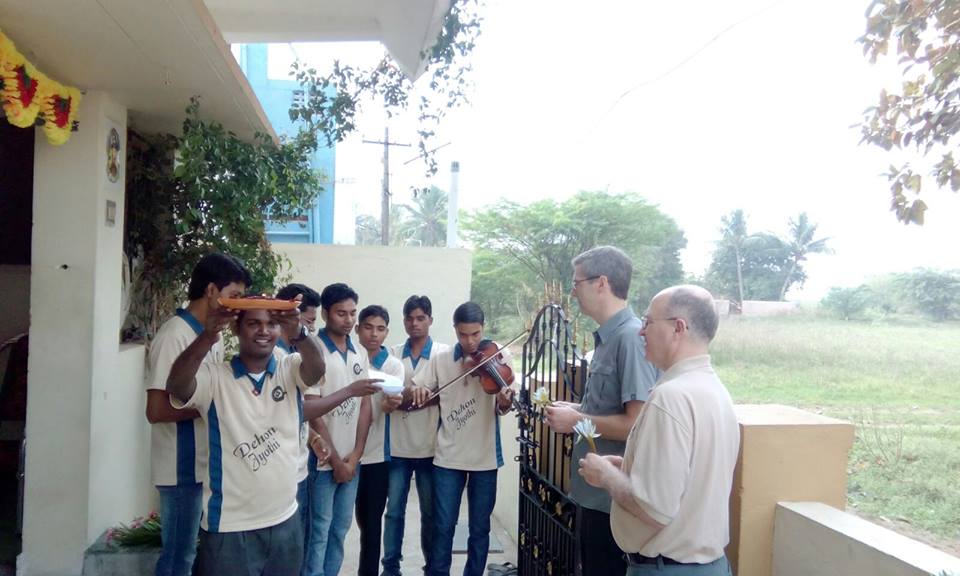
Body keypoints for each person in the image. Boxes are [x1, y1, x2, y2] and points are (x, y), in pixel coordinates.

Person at [165, 300, 379, 575]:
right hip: (230, 526)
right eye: (253, 323)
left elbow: (316, 369)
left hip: (284, 520)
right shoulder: (214, 377)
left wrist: (299, 332)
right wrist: (207, 336)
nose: (264, 331)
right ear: (236, 329)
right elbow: (177, 387)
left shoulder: (288, 368)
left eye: (271, 324)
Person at [578, 285, 740, 575]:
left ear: (678, 328)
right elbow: (687, 480)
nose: (641, 331)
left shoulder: (671, 397)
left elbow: (654, 509)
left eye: (649, 322)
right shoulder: (716, 391)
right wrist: (628, 466)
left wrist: (607, 477)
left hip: (668, 567)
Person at [544, 246, 659, 576]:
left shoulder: (630, 339)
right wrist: (577, 409)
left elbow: (637, 423)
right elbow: (610, 409)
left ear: (601, 283)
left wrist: (577, 420)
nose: (573, 291)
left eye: (576, 283)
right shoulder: (609, 338)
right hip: (593, 495)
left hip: (612, 501)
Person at [145, 252, 250, 576]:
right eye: (234, 296)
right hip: (180, 469)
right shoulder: (175, 335)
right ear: (210, 291)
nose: (238, 305)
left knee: (191, 555)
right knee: (178, 558)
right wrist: (213, 405)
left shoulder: (209, 336)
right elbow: (157, 410)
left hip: (202, 466)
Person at [408, 302, 515, 576]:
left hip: (485, 457)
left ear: (483, 329)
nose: (470, 342)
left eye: (476, 334)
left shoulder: (499, 356)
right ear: (455, 329)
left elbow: (503, 408)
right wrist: (418, 390)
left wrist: (504, 401)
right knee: (443, 526)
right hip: (448, 456)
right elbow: (418, 384)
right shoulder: (441, 359)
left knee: (480, 529)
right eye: (464, 334)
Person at [304, 283, 373, 576]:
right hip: (321, 462)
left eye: (352, 313)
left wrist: (355, 456)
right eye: (341, 313)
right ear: (325, 313)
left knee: (340, 530)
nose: (348, 320)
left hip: (350, 461)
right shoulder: (313, 350)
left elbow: (366, 406)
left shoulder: (359, 350)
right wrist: (335, 461)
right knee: (317, 530)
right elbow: (312, 411)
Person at [382, 295, 448, 576]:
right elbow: (388, 396)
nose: (414, 323)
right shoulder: (393, 354)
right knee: (394, 512)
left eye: (421, 318)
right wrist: (417, 395)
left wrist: (422, 396)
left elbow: (451, 395)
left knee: (430, 515)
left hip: (431, 449)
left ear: (430, 320)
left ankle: (431, 567)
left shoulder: (443, 354)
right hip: (397, 447)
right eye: (409, 318)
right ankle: (391, 567)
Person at [354, 305, 405, 576]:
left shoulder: (393, 365)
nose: (374, 334)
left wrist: (389, 404)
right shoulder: (348, 359)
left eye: (380, 328)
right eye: (368, 327)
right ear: (357, 329)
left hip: (375, 456)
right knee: (331, 525)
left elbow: (391, 402)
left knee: (371, 526)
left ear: (386, 332)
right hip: (341, 454)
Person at [275, 282, 323, 565]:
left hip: (299, 465)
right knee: (290, 554)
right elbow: (298, 409)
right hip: (284, 472)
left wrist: (313, 438)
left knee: (300, 545)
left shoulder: (298, 355)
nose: (309, 331)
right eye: (307, 322)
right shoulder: (277, 357)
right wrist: (349, 393)